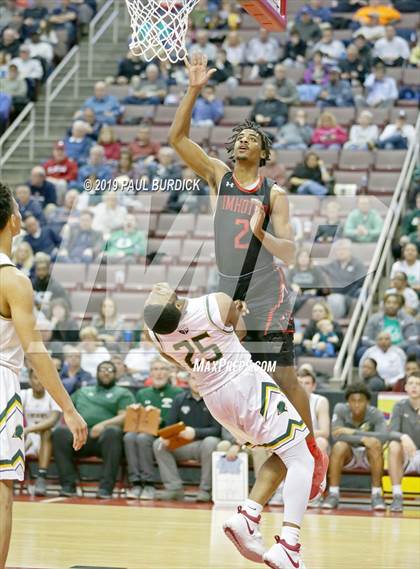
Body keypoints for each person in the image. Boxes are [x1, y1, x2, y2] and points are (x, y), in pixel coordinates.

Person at [168, 52, 328, 501]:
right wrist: (194, 89)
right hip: (226, 289)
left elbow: (292, 252)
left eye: (250, 137)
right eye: (238, 136)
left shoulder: (273, 192)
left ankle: (312, 452)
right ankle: (271, 462)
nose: (242, 141)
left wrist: (261, 232)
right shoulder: (218, 177)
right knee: (236, 377)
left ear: (263, 152)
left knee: (283, 375)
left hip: (265, 289)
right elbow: (177, 137)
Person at [144, 283, 315, 567]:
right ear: (174, 304)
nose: (157, 289)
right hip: (243, 386)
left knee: (283, 452)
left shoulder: (156, 336)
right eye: (157, 294)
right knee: (302, 459)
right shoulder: (215, 303)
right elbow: (243, 333)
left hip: (215, 400)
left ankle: (247, 516)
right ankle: (289, 544)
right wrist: (235, 312)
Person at [0, 182, 87, 569]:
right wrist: (68, 408)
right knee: (1, 491)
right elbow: (35, 350)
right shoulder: (13, 280)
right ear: (14, 221)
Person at [52, 361, 135, 498]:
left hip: (105, 441)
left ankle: (106, 488)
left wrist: (104, 425)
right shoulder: (83, 391)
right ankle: (68, 485)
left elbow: (125, 416)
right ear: (96, 374)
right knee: (60, 432)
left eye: (110, 370)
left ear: (115, 375)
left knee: (113, 432)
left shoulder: (122, 393)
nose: (106, 372)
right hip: (80, 437)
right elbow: (67, 410)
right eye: (102, 369)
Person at [323, 383, 390, 511]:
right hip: (349, 456)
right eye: (353, 401)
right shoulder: (340, 409)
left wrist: (352, 432)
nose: (357, 404)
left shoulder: (375, 413)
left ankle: (376, 494)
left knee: (375, 444)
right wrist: (363, 439)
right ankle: (333, 494)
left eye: (361, 401)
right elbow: (336, 436)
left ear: (368, 402)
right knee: (339, 446)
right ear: (348, 401)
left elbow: (383, 437)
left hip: (368, 457)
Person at [124, 357, 183, 500]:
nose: (159, 373)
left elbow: (180, 421)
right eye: (155, 369)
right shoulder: (143, 393)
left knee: (143, 438)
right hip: (145, 430)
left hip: (166, 433)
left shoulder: (178, 393)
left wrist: (159, 420)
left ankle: (149, 483)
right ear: (150, 373)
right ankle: (136, 483)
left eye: (163, 369)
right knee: (129, 437)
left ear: (170, 373)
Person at [21, 368, 61, 496]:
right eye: (35, 378)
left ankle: (41, 478)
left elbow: (53, 420)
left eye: (42, 378)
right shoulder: (23, 395)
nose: (39, 382)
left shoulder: (54, 395)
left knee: (46, 431)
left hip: (50, 441)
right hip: (28, 437)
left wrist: (28, 429)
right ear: (30, 380)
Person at [388, 374, 420, 512]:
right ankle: (397, 495)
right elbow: (391, 432)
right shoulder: (399, 406)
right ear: (405, 387)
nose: (414, 386)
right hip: (407, 455)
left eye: (418, 384)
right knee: (394, 445)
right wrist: (404, 436)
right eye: (411, 383)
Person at [360, 292, 418, 357]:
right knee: (362, 351)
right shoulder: (374, 318)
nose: (391, 305)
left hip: (401, 349)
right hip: (377, 348)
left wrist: (393, 347)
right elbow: (365, 339)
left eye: (395, 303)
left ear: (400, 306)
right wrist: (380, 345)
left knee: (414, 349)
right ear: (384, 304)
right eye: (388, 302)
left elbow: (412, 340)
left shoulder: (408, 320)